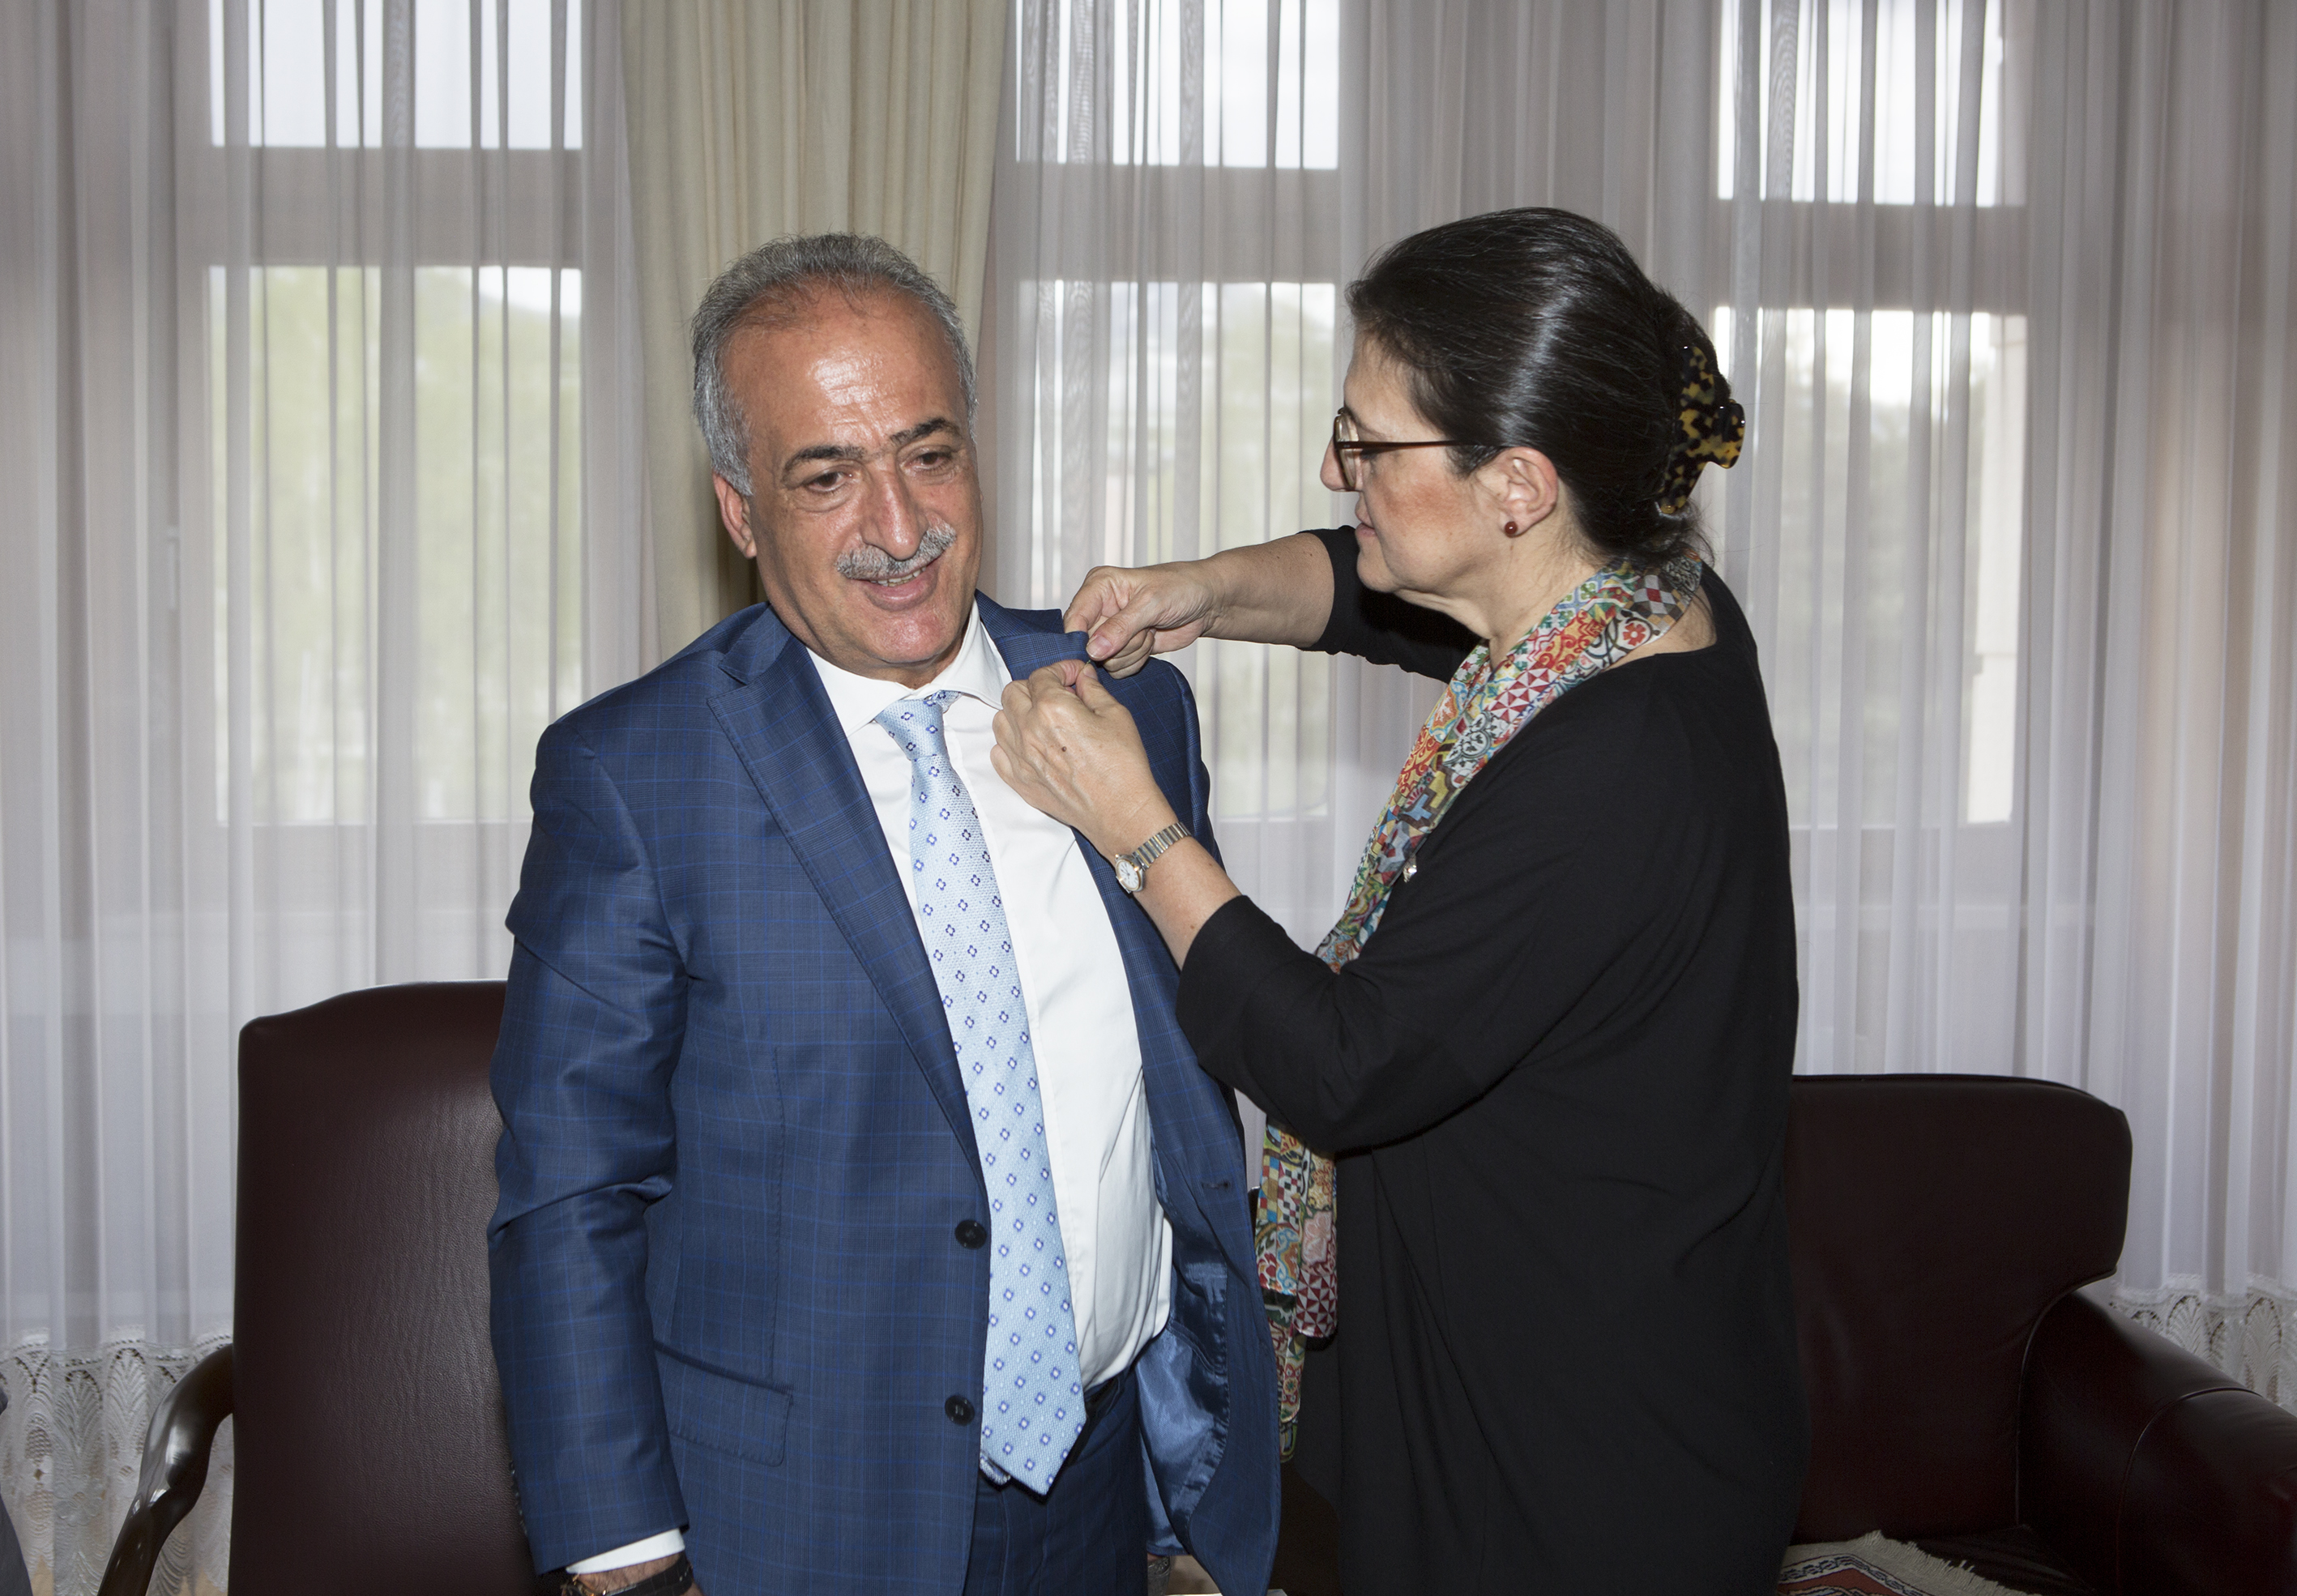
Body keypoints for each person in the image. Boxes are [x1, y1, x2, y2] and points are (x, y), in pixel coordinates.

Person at [991, 207, 1808, 1593]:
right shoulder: (1620, 609)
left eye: (1369, 444)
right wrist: (1206, 591)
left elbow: (1340, 1059)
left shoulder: (1614, 764)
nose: (1338, 467)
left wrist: (1136, 825)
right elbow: (1364, 589)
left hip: (1581, 1466)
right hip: (1563, 1381)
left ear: (1517, 485)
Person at [487, 234, 1277, 1596]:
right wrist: (629, 1562)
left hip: (1102, 1496)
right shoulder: (636, 773)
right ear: (740, 511)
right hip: (794, 1525)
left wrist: (1189, 1490)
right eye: (827, 475)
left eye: (929, 452)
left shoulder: (1125, 705)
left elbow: (1179, 1100)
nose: (901, 526)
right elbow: (571, 1190)